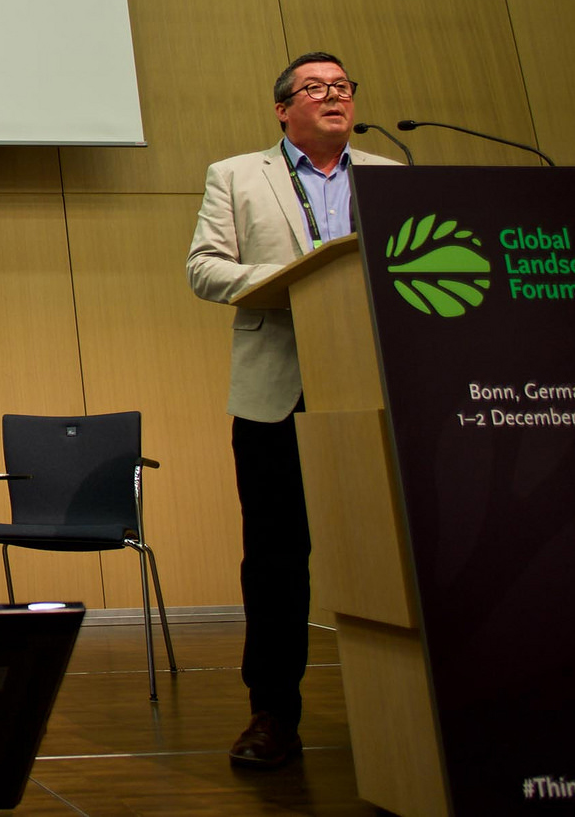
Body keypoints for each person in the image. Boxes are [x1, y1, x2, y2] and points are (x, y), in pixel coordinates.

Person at [187, 51, 399, 770]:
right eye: (316, 88)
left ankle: (412, 712)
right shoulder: (237, 175)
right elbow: (206, 268)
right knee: (277, 559)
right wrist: (298, 279)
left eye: (342, 87)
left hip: (380, 386)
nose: (333, 96)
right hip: (279, 389)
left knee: (397, 547)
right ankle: (273, 714)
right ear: (283, 109)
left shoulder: (392, 177)